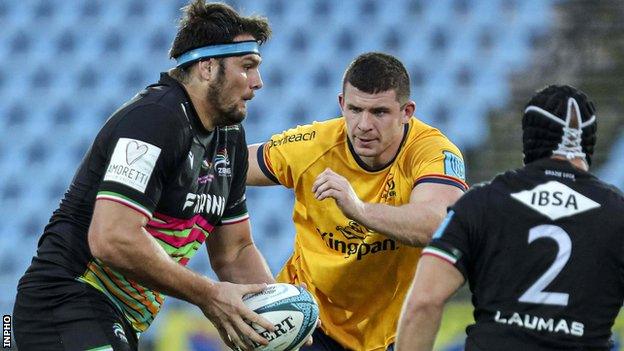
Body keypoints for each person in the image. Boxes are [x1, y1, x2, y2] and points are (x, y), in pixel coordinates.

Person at [13, 1, 277, 350]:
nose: (258, 82)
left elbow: (234, 253)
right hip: (66, 300)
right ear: (208, 67)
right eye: (247, 66)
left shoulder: (229, 139)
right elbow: (112, 238)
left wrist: (276, 315)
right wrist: (209, 295)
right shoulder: (155, 120)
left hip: (117, 319)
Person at [247, 52, 468, 351]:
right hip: (308, 321)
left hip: (385, 333)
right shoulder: (313, 145)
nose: (363, 124)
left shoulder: (430, 151)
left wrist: (359, 209)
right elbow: (231, 165)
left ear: (407, 112)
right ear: (341, 105)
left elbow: (438, 224)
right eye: (354, 109)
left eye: (379, 112)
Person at [396, 85, 623, 351]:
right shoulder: (617, 213)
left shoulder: (481, 203)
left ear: (529, 138)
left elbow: (424, 302)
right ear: (589, 142)